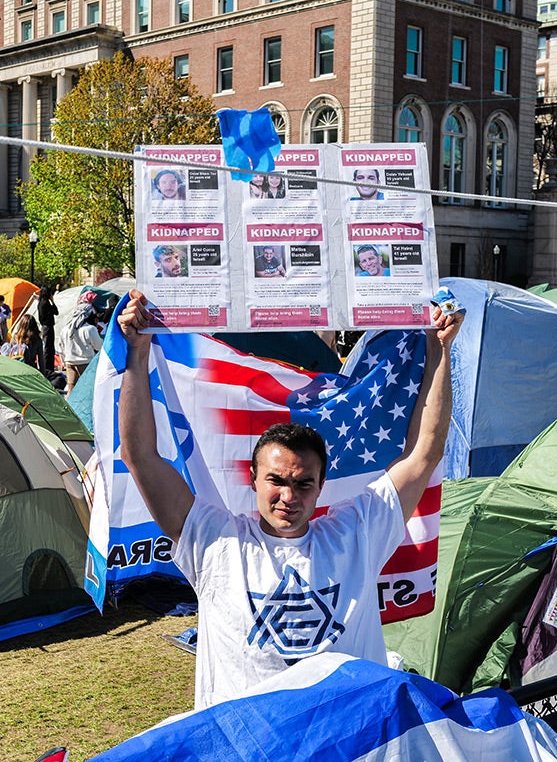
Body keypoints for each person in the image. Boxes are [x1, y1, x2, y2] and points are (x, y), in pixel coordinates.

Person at [115, 289, 462, 710]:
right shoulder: (215, 541)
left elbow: (424, 451)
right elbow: (140, 457)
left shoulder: (358, 532)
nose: (288, 496)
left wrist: (439, 348)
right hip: (248, 751)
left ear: (321, 485)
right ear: (253, 479)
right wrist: (137, 354)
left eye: (303, 484)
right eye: (276, 481)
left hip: (349, 749)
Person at [61, 292, 103, 393]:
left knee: (71, 388)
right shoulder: (90, 329)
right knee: (86, 390)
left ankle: (69, 407)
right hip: (86, 363)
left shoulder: (66, 329)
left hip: (69, 362)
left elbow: (61, 348)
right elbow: (99, 346)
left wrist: (64, 361)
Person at [37, 283, 58, 376]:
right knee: (48, 348)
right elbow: (56, 312)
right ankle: (48, 368)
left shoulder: (41, 302)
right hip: (47, 327)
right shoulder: (46, 303)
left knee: (48, 347)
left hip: (45, 326)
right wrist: (53, 302)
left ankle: (48, 367)